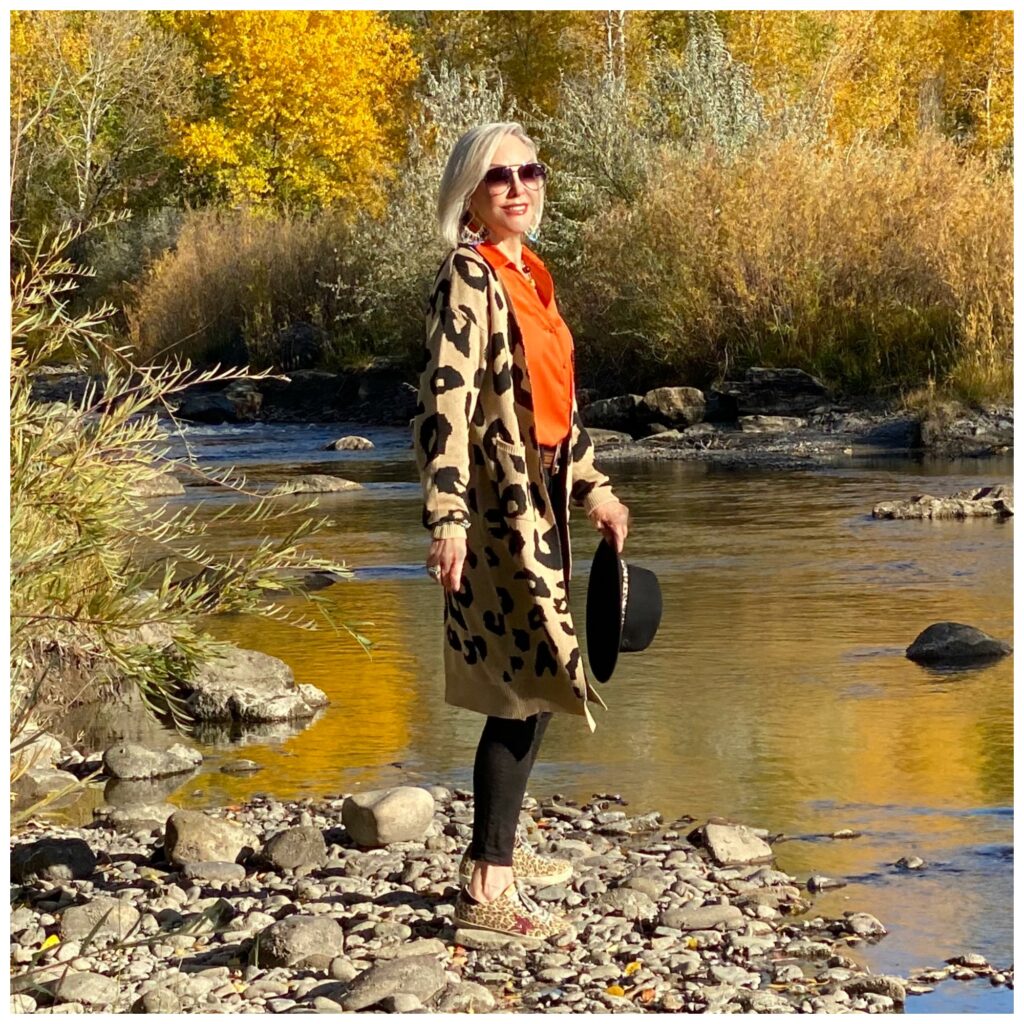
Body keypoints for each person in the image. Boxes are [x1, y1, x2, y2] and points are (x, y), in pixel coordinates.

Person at [412, 122, 630, 938]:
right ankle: (486, 888)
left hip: (539, 501)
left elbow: (552, 409)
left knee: (536, 681)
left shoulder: (530, 274)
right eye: (497, 176)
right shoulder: (470, 275)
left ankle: (499, 845)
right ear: (470, 195)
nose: (517, 187)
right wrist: (447, 518)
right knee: (529, 683)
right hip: (496, 507)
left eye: (529, 171)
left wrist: (594, 490)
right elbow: (444, 404)